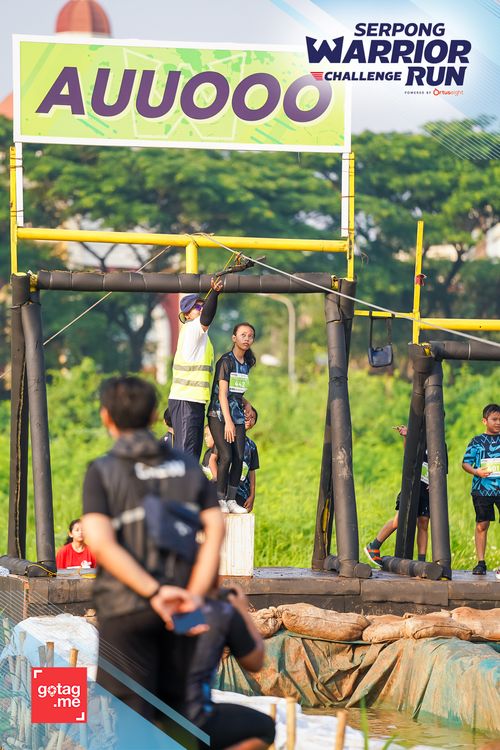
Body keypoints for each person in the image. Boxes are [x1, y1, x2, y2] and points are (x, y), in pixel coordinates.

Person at [82, 376, 225, 722]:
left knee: (133, 722)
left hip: (125, 609)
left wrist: (155, 592)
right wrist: (193, 595)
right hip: (184, 606)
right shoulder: (188, 466)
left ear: (106, 417)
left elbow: (100, 542)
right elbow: (216, 529)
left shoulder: (103, 470)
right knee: (180, 719)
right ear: (152, 416)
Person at [185, 585, 275, 750]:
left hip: (144, 715)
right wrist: (241, 612)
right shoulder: (221, 612)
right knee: (267, 729)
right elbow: (255, 662)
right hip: (193, 719)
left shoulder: (151, 607)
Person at [168, 278, 224, 460]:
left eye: (202, 306)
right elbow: (207, 317)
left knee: (191, 454)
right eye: (197, 307)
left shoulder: (200, 335)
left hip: (193, 401)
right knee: (187, 455)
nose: (202, 309)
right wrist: (214, 293)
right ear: (187, 314)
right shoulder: (193, 328)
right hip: (186, 400)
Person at [364, 425, 430, 566]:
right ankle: (374, 546)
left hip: (427, 489)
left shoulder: (440, 444)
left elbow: (443, 468)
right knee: (399, 520)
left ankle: (421, 561)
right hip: (412, 486)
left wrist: (436, 483)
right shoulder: (420, 438)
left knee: (424, 523)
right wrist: (407, 436)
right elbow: (408, 453)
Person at [208, 323, 256, 514]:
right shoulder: (225, 362)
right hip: (219, 414)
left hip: (237, 415)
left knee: (238, 457)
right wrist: (228, 422)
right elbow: (222, 394)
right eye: (243, 335)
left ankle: (231, 500)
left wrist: (247, 403)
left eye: (250, 336)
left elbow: (236, 392)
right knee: (226, 455)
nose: (247, 339)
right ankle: (220, 498)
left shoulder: (247, 363)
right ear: (234, 338)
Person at [462, 403, 500, 575]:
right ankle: (481, 562)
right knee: (482, 524)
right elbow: (465, 463)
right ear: (485, 421)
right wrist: (476, 472)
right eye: (494, 419)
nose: (498, 422)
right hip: (482, 490)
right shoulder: (477, 441)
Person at [235, 406, 260, 513]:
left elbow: (252, 471)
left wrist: (252, 495)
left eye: (252, 418)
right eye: (246, 415)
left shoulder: (251, 446)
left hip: (242, 493)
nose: (249, 420)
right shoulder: (227, 437)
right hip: (224, 492)